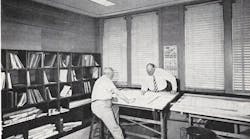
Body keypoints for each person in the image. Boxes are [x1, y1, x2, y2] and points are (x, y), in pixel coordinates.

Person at [91, 67, 134, 139]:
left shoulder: (100, 80)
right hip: (102, 107)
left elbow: (103, 93)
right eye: (112, 75)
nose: (113, 76)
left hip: (97, 105)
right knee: (115, 129)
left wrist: (112, 98)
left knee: (116, 108)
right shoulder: (107, 80)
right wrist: (128, 100)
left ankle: (112, 130)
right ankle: (116, 132)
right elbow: (117, 92)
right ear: (109, 74)